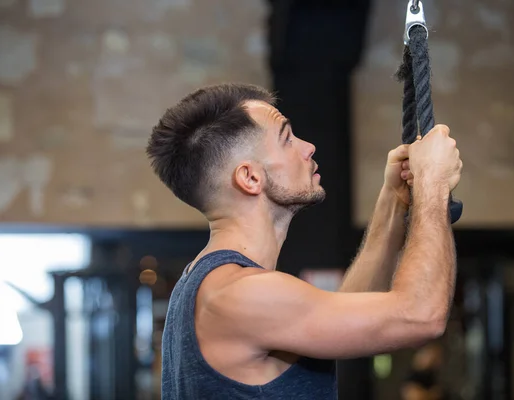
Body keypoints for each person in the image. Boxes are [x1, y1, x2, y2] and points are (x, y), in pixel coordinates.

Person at [146, 83, 463, 399]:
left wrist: (393, 202)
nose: (308, 146)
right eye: (286, 139)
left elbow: (340, 315)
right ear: (250, 178)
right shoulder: (243, 293)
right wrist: (432, 182)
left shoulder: (209, 284)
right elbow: (420, 316)